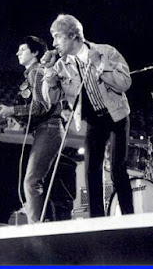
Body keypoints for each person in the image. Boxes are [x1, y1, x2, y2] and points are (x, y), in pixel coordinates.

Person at [41, 14, 133, 217]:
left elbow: (125, 83)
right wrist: (48, 72)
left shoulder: (106, 51)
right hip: (94, 121)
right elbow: (51, 99)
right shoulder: (61, 65)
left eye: (57, 36)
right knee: (91, 171)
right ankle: (97, 221)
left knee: (118, 169)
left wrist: (100, 64)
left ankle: (129, 217)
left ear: (73, 35)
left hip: (117, 116)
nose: (54, 43)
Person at [0, 36, 63, 223]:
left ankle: (36, 227)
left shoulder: (36, 72)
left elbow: (41, 106)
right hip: (46, 130)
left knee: (31, 182)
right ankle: (42, 223)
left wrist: (12, 110)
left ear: (35, 53)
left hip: (48, 128)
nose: (18, 53)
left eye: (23, 49)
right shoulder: (33, 73)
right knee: (36, 182)